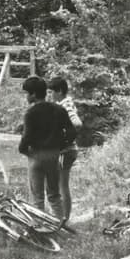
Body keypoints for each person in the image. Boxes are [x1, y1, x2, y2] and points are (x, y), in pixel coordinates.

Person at [18, 76, 75, 220]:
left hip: (36, 156)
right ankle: (60, 226)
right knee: (54, 195)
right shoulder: (59, 109)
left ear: (34, 94)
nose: (26, 97)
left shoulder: (30, 113)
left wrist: (24, 150)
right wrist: (61, 145)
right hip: (54, 156)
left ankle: (40, 227)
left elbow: (26, 138)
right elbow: (72, 132)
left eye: (27, 93)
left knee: (37, 198)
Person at [47, 76, 82, 222]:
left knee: (62, 185)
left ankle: (65, 219)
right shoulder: (64, 103)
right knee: (61, 184)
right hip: (68, 150)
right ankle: (63, 217)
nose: (50, 95)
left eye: (51, 92)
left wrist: (64, 140)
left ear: (59, 91)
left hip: (66, 151)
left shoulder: (65, 105)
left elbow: (77, 123)